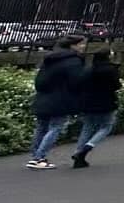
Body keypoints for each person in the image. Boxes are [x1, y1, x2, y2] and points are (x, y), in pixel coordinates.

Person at [25, 36, 87, 170]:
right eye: (81, 44)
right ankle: (39, 157)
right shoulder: (74, 61)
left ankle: (35, 156)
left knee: (41, 128)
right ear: (72, 45)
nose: (83, 47)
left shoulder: (49, 59)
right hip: (62, 99)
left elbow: (39, 81)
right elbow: (77, 81)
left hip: (43, 98)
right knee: (55, 127)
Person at [70, 50, 123, 169]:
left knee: (87, 127)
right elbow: (116, 85)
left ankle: (78, 152)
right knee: (106, 126)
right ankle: (88, 146)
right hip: (106, 101)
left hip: (88, 102)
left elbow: (80, 84)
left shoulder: (88, 70)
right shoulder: (111, 70)